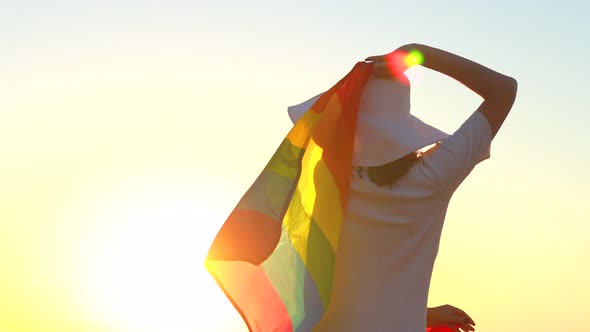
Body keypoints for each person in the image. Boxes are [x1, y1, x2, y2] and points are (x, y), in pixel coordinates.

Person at [287, 43, 517, 332]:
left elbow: (351, 290)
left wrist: (423, 313)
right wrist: (417, 52)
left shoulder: (327, 180)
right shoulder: (431, 177)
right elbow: (504, 90)